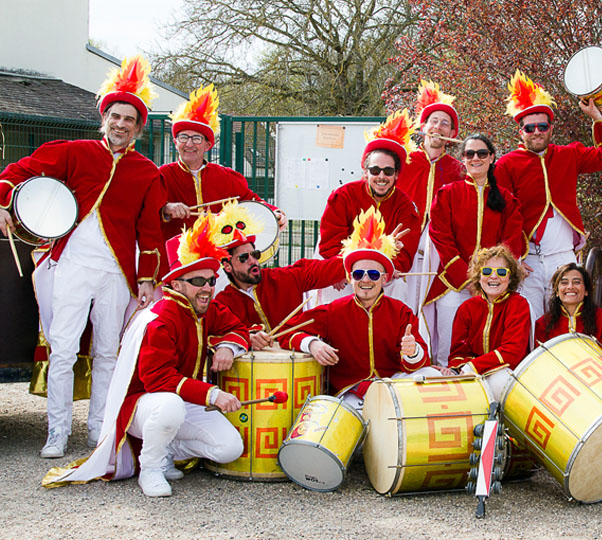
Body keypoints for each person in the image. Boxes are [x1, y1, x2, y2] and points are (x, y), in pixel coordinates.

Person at [0, 55, 166, 457]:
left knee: (108, 352)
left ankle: (99, 430)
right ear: (104, 118)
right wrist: (4, 202)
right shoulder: (73, 152)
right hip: (70, 264)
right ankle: (56, 433)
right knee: (63, 349)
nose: (121, 124)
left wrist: (146, 280)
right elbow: (17, 172)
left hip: (116, 274)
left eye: (129, 119)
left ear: (139, 128)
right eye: (115, 115)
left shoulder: (147, 172)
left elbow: (150, 233)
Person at [42, 215, 251, 497]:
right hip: (147, 403)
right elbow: (157, 379)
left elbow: (236, 327)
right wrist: (213, 395)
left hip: (181, 399)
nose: (207, 287)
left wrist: (227, 346)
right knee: (169, 407)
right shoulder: (161, 318)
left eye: (212, 280)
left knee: (229, 448)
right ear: (176, 285)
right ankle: (151, 468)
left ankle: (166, 451)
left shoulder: (205, 308)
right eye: (198, 280)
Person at [279, 208, 437, 411]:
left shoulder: (400, 312)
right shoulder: (333, 311)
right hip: (350, 392)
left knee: (434, 376)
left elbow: (419, 362)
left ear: (384, 278)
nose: (365, 280)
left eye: (372, 274)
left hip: (392, 386)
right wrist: (312, 344)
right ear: (349, 278)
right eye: (358, 274)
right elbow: (288, 331)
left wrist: (412, 351)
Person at [495, 71, 602, 321]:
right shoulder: (506, 164)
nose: (536, 132)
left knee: (566, 319)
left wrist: (598, 118)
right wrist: (513, 256)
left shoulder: (568, 155)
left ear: (551, 129)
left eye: (542, 126)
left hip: (563, 255)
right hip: (527, 258)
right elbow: (502, 213)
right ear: (521, 132)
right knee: (528, 322)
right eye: (530, 128)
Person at [423, 134, 526, 365]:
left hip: (495, 285)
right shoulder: (447, 194)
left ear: (491, 158)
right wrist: (468, 279)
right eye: (470, 154)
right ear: (463, 159)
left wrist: (489, 279)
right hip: (454, 284)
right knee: (447, 348)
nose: (475, 158)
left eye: (482, 153)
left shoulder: (507, 199)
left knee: (494, 345)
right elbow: (442, 239)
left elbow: (511, 242)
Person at [316, 110, 422, 305]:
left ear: (397, 174)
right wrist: (341, 270)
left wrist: (386, 270)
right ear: (365, 172)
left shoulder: (406, 207)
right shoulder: (343, 196)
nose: (381, 176)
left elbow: (406, 252)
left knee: (398, 289)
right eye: (375, 170)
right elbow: (330, 241)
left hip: (383, 273)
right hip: (345, 270)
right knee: (333, 289)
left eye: (388, 171)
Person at [159, 84, 285, 241]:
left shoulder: (225, 177)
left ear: (207, 145)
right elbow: (143, 211)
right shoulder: (160, 176)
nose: (189, 144)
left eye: (196, 138)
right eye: (183, 137)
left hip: (217, 257)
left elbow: (251, 202)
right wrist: (166, 208)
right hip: (173, 259)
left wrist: (274, 213)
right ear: (175, 142)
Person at [211, 202, 345, 349]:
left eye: (255, 254)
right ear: (227, 266)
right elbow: (215, 336)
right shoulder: (223, 302)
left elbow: (327, 269)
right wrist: (247, 337)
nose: (253, 261)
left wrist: (359, 259)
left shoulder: (284, 278)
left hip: (297, 369)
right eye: (244, 258)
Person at [398, 80, 465, 312]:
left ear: (452, 133)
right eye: (433, 121)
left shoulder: (460, 170)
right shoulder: (403, 162)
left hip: (438, 256)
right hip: (401, 250)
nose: (438, 127)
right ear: (423, 126)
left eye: (445, 123)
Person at [448, 245, 531, 397]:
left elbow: (512, 352)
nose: (493, 277)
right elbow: (457, 354)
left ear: (510, 277)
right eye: (487, 271)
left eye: (501, 272)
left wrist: (474, 366)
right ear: (478, 277)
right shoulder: (466, 308)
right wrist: (459, 369)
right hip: (471, 374)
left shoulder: (518, 304)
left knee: (501, 381)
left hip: (506, 372)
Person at [534, 263, 602, 352]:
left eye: (576, 282)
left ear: (586, 291)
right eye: (564, 283)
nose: (570, 287)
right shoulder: (543, 324)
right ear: (557, 292)